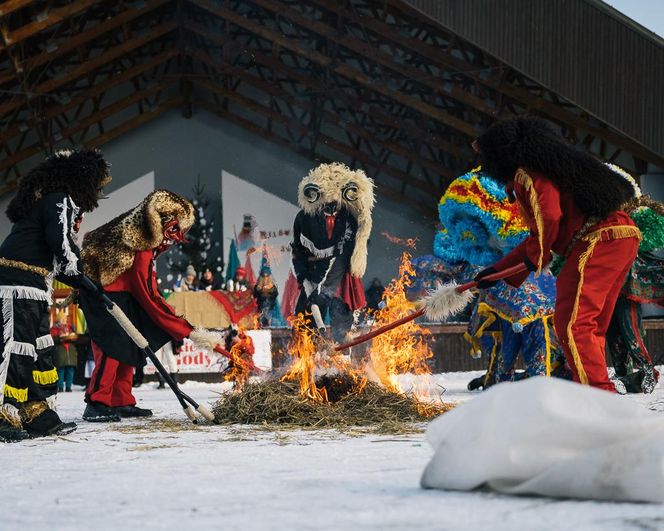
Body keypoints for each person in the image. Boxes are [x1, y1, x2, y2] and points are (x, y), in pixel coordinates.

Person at [473, 116, 639, 392]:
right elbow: (539, 236)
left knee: (573, 324)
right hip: (620, 237)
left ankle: (598, 398)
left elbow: (548, 217)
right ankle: (596, 392)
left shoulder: (527, 175)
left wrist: (535, 257)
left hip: (597, 240)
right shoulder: (549, 169)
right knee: (590, 324)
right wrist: (497, 271)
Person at [0, 148, 111, 441]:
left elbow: (59, 259)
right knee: (17, 347)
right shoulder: (58, 201)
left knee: (37, 347)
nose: (99, 193)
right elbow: (61, 248)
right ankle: (3, 411)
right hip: (16, 284)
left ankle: (35, 411)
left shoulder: (58, 202)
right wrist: (83, 280)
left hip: (35, 286)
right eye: (98, 185)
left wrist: (85, 283)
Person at [79, 190, 219, 422]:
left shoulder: (148, 246)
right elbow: (149, 295)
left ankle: (121, 400)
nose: (175, 238)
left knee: (127, 349)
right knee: (111, 349)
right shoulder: (142, 246)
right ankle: (97, 402)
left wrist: (179, 323)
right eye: (174, 230)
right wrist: (180, 326)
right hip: (102, 295)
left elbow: (148, 291)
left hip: (121, 297)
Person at [290, 163, 375, 342]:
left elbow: (343, 256)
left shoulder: (348, 220)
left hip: (338, 276)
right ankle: (306, 361)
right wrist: (305, 280)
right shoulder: (303, 218)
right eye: (327, 203)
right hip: (313, 275)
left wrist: (326, 290)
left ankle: (342, 358)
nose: (331, 208)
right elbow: (297, 250)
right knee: (303, 321)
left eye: (335, 203)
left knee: (341, 318)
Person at [51, 313, 78, 393]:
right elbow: (53, 339)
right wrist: (60, 338)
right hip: (60, 352)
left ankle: (69, 386)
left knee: (70, 370)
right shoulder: (55, 328)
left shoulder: (70, 327)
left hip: (70, 352)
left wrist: (72, 336)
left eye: (65, 319)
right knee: (60, 370)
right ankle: (60, 387)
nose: (64, 320)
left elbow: (75, 338)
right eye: (62, 319)